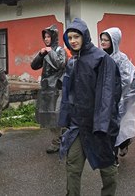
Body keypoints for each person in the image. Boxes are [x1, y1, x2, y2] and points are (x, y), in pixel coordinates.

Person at [58, 18, 121, 196]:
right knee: (73, 165)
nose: (73, 41)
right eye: (69, 38)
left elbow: (107, 96)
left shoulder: (102, 60)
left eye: (76, 36)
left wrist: (102, 126)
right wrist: (66, 120)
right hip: (78, 126)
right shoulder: (73, 61)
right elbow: (68, 94)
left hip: (98, 126)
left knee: (107, 167)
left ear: (84, 36)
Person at [99, 28, 135, 166]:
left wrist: (117, 96)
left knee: (115, 126)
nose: (103, 42)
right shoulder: (101, 56)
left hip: (120, 98)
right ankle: (120, 146)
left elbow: (127, 79)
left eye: (106, 40)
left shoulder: (121, 59)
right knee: (112, 127)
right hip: (106, 99)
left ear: (114, 41)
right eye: (102, 39)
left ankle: (115, 154)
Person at [31, 24, 67, 154]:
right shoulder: (45, 51)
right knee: (49, 115)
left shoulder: (59, 50)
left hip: (57, 87)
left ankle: (58, 141)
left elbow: (60, 64)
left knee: (56, 115)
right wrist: (40, 55)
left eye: (48, 36)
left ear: (54, 37)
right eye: (44, 37)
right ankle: (60, 138)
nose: (46, 39)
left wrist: (50, 51)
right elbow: (34, 66)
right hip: (46, 87)